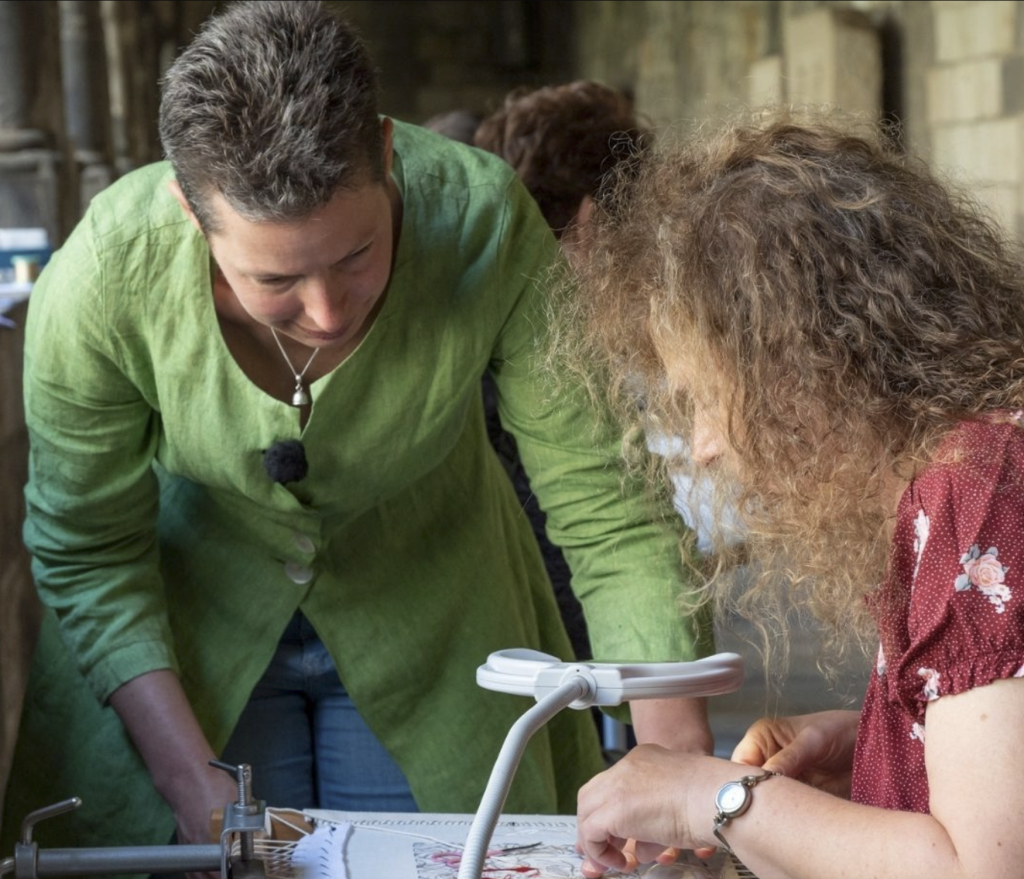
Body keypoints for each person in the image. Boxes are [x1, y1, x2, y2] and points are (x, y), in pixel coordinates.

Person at [1, 0, 715, 863]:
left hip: (436, 617)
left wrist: (673, 767)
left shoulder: (485, 219)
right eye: (274, 279)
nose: (328, 312)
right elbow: (88, 547)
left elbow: (607, 499)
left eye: (356, 255)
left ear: (385, 153)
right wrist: (192, 781)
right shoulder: (104, 279)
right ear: (192, 215)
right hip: (183, 634)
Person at [564, 107, 1024, 878]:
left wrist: (712, 796)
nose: (704, 444)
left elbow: (981, 868)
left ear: (801, 369)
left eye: (709, 397)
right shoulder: (956, 468)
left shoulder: (976, 491)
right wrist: (874, 748)